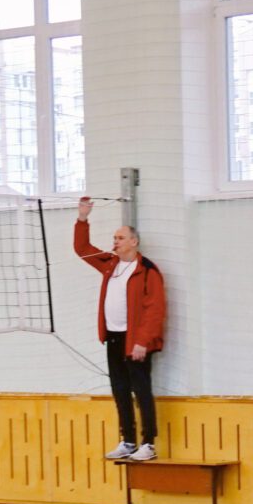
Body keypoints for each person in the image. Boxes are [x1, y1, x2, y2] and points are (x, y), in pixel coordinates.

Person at [76, 196, 167, 462]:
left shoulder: (148, 270)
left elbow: (155, 309)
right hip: (114, 338)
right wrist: (83, 218)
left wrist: (142, 341)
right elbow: (82, 248)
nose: (115, 242)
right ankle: (128, 440)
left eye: (120, 238)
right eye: (114, 238)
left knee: (141, 390)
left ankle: (148, 443)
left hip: (135, 341)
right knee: (120, 390)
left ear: (133, 242)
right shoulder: (109, 264)